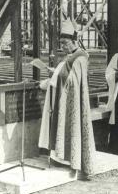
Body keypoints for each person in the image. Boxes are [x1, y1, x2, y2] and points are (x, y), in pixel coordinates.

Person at [38, 18, 96, 177]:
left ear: (74, 40)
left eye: (65, 43)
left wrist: (53, 78)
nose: (62, 47)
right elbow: (65, 73)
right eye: (61, 43)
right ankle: (61, 158)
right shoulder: (70, 55)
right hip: (60, 99)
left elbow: (72, 81)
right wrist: (55, 72)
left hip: (70, 102)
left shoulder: (80, 57)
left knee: (71, 126)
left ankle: (74, 161)